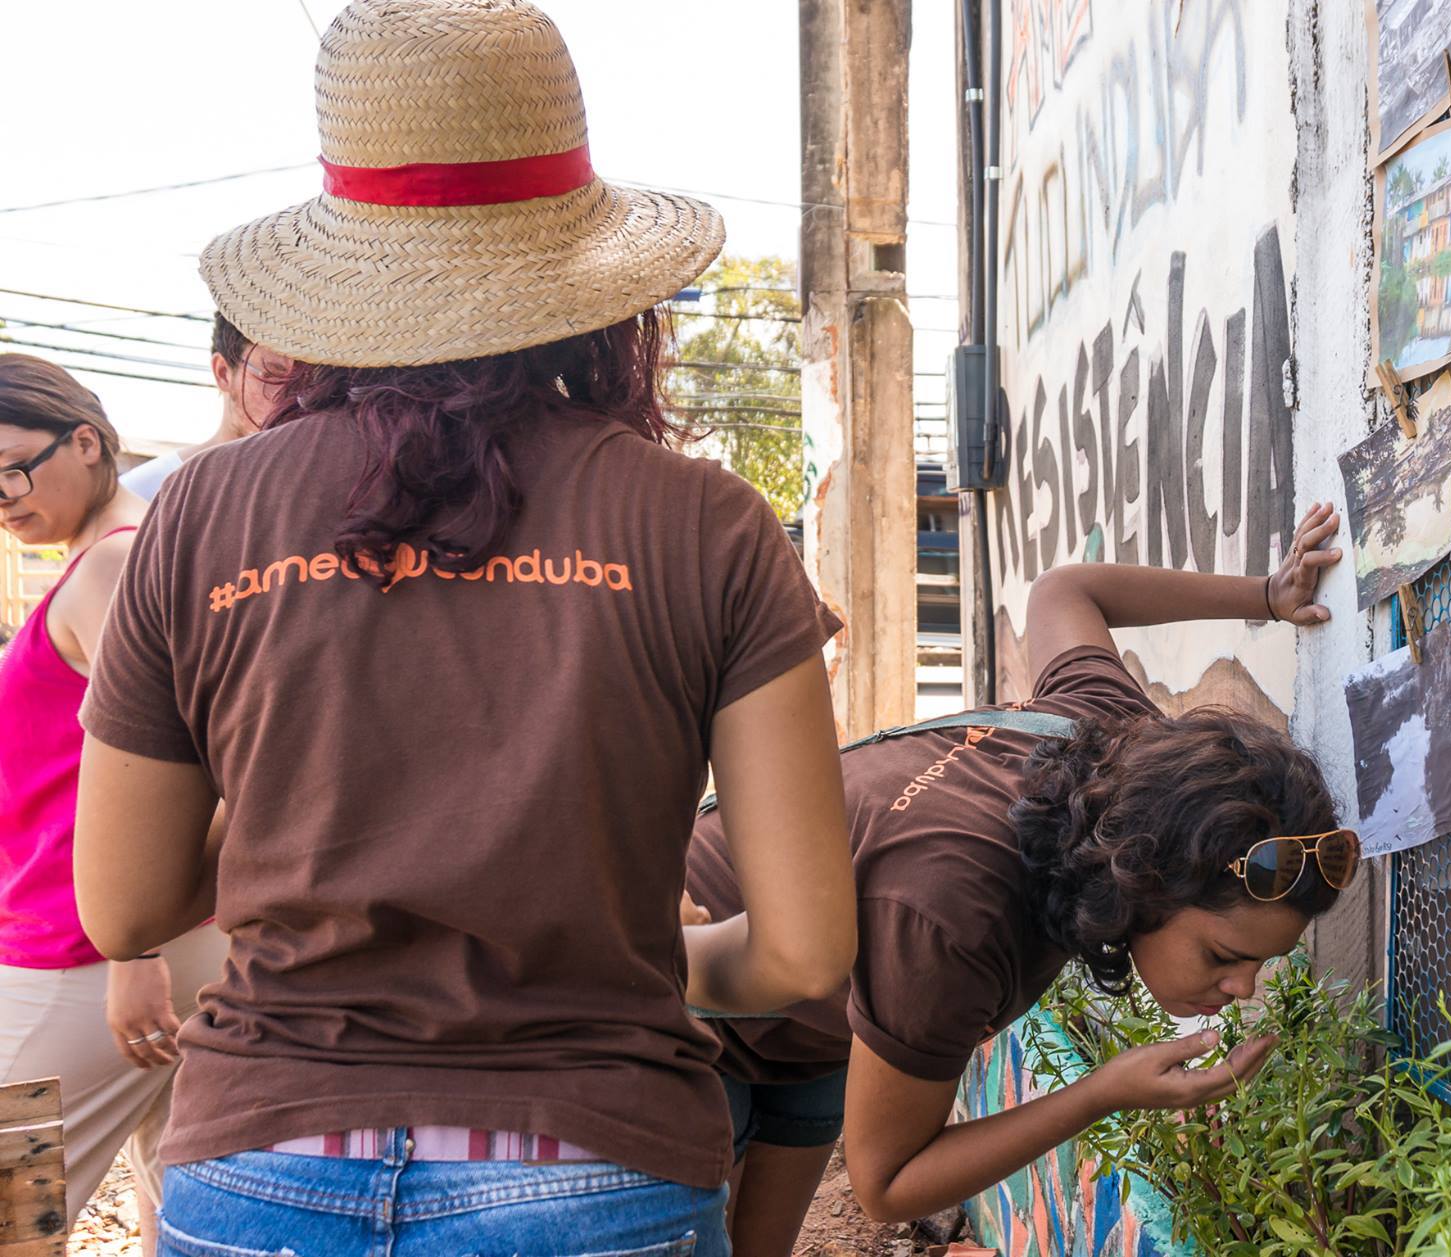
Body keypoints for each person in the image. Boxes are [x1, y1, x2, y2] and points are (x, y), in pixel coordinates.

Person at [69, 3, 856, 1255]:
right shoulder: (706, 523)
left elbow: (121, 908)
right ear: (592, 278)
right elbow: (809, 950)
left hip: (264, 1162)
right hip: (597, 1164)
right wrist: (648, 963)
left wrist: (313, 804)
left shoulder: (203, 510)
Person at [687, 504, 1358, 1256]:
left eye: (1259, 963)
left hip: (812, 1032)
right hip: (688, 1002)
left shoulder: (1113, 733)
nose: (1244, 986)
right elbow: (883, 1182)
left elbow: (1064, 591)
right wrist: (1105, 1090)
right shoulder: (957, 916)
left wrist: (1268, 596)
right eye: (1224, 954)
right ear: (1146, 875)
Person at [0, 354, 226, 1251]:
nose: (2, 495)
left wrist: (137, 946)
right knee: (181, 1205)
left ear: (86, 441)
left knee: (14, 1214)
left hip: (84, 956)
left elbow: (193, 759)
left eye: (13, 466)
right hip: (123, 949)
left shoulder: (115, 565)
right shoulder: (125, 554)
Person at [119, 316, 293, 499]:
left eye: (306, 383)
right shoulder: (144, 491)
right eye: (273, 376)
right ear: (223, 373)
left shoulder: (306, 490)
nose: (294, 397)